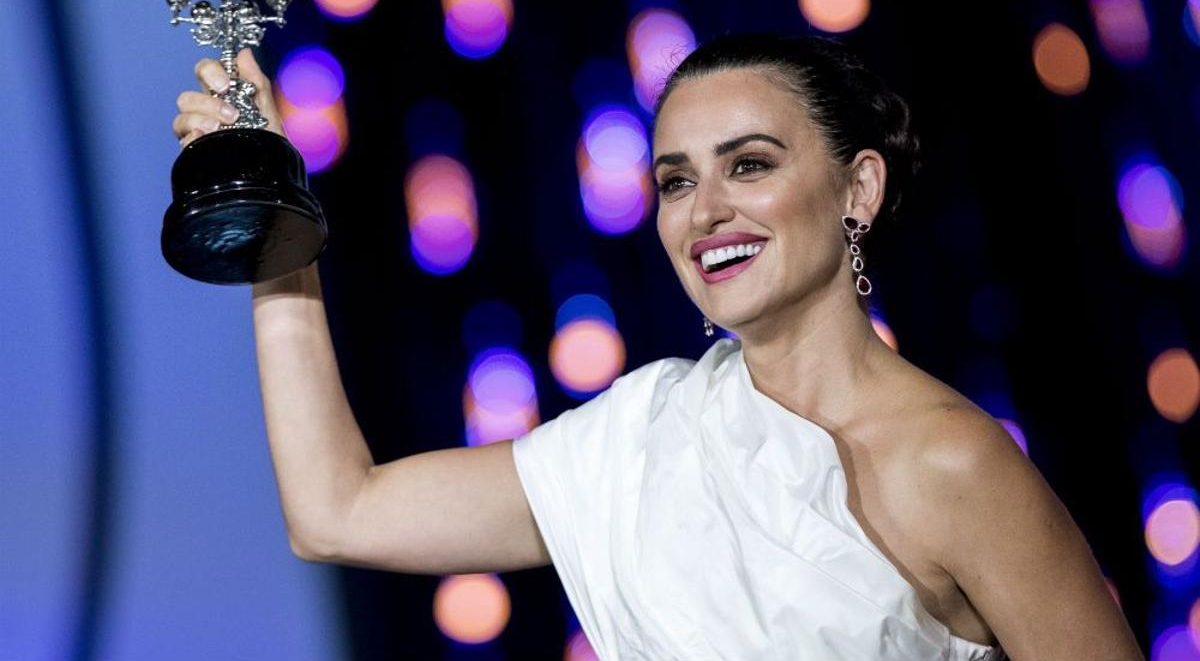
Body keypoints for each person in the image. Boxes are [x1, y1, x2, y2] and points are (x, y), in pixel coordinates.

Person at [172, 33, 1144, 660]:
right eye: (676, 181)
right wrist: (275, 242)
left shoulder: (953, 459)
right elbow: (339, 512)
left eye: (750, 165)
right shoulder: (641, 436)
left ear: (858, 190)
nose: (706, 209)